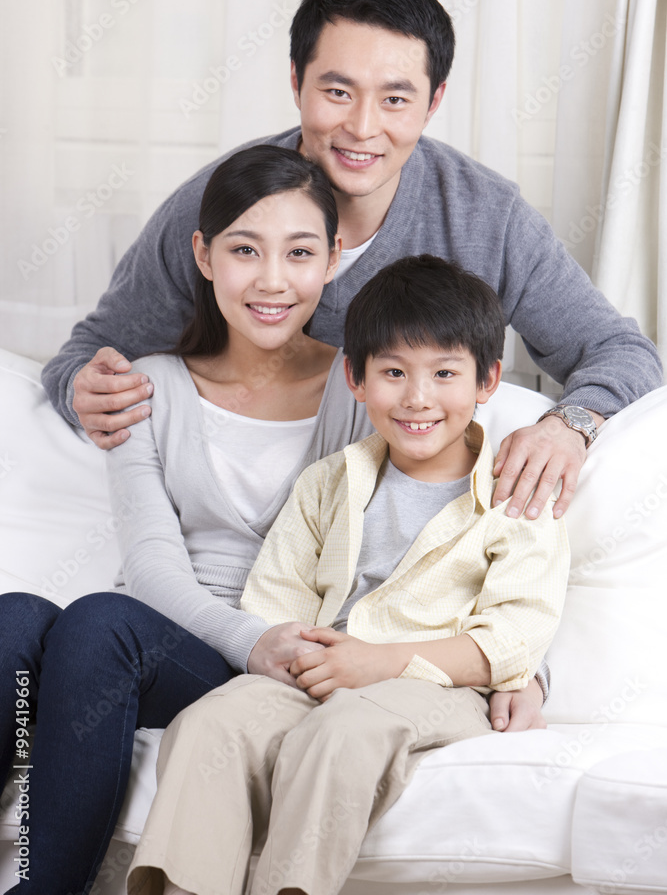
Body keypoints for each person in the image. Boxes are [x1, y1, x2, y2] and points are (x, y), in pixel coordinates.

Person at [42, 0, 661, 531]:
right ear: (296, 82)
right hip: (227, 531)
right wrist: (83, 390)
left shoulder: (486, 216)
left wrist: (570, 424)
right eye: (337, 92)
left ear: (433, 101)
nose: (363, 128)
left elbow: (623, 353)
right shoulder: (220, 203)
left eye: (395, 98)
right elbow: (83, 357)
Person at [126, 255, 571, 895]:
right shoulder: (329, 481)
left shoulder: (515, 495)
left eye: (445, 373)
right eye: (393, 373)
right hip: (321, 668)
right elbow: (274, 602)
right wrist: (315, 658)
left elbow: (513, 637)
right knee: (211, 722)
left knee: (342, 731)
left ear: (487, 380)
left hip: (436, 686)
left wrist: (380, 663)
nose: (417, 398)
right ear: (355, 379)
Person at [0, 145, 375, 895]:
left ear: (333, 258)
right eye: (244, 250)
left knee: (101, 623)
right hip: (162, 634)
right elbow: (149, 562)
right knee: (12, 619)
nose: (272, 280)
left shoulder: (361, 389)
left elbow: (393, 549)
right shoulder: (148, 388)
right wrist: (249, 639)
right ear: (204, 255)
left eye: (299, 252)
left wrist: (270, 642)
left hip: (248, 655)